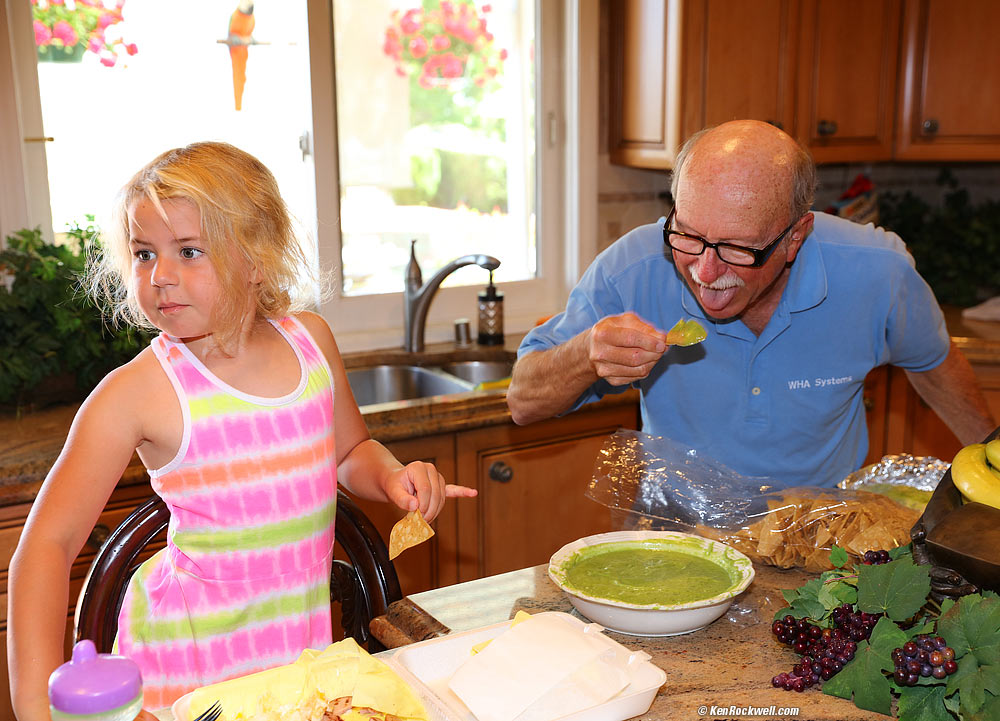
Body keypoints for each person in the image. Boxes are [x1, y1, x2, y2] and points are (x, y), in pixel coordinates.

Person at [7, 141, 477, 718]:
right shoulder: (136, 393)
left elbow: (349, 450)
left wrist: (391, 478)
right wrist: (34, 704)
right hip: (185, 676)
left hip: (296, 662)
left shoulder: (311, 343)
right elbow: (45, 547)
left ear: (257, 259)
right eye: (144, 253)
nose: (160, 276)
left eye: (189, 250)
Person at [507, 119, 994, 488]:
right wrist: (586, 352)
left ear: (795, 237)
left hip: (820, 542)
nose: (705, 272)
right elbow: (523, 401)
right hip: (675, 535)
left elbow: (933, 362)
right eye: (689, 236)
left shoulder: (877, 274)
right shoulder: (631, 269)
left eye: (739, 249)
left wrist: (994, 468)